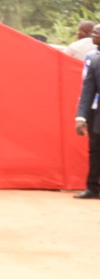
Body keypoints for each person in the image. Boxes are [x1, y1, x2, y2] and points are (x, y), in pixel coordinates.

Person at [74, 25, 100, 198]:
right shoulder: (92, 58)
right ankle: (92, 188)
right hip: (96, 114)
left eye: (97, 33)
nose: (93, 34)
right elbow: (87, 89)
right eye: (94, 32)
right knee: (95, 150)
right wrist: (81, 116)